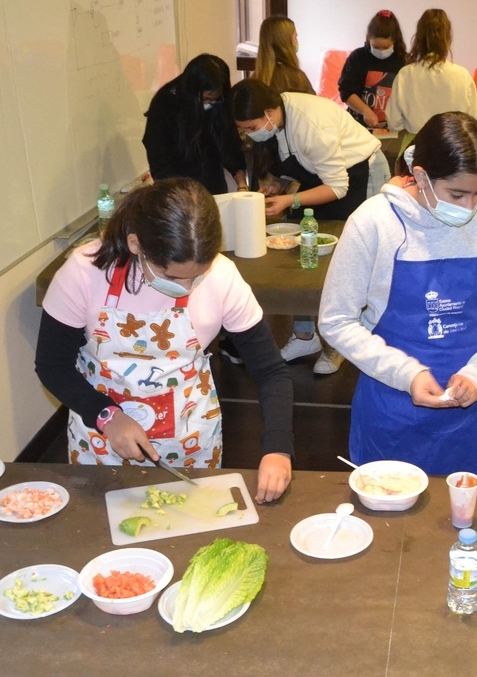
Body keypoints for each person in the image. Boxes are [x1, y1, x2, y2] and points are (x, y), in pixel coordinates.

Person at [34, 179, 293, 503]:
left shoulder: (224, 277)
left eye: (198, 275)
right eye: (172, 277)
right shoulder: (85, 273)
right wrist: (106, 415)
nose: (187, 287)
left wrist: (278, 448)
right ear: (136, 244)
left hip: (190, 438)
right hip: (102, 441)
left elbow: (270, 372)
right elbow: (52, 366)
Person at [318, 112, 477, 475]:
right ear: (420, 176)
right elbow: (336, 320)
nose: (469, 207)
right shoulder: (374, 223)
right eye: (457, 194)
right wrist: (408, 374)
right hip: (395, 411)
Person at [232, 78, 391, 375]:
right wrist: (277, 187)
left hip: (359, 175)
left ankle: (339, 343)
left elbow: (339, 186)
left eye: (252, 127)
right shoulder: (277, 122)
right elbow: (301, 167)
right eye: (243, 129)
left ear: (269, 111)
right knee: (304, 259)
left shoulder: (310, 125)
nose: (249, 134)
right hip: (326, 180)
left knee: (347, 260)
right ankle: (305, 335)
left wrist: (288, 201)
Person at [142, 54, 248, 195]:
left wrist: (241, 184)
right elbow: (160, 161)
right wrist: (180, 196)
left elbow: (229, 143)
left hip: (214, 186)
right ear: (192, 91)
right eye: (206, 99)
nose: (210, 103)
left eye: (215, 99)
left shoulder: (220, 102)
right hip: (180, 191)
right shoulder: (164, 105)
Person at [385, 9, 477, 134]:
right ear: (447, 38)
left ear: (418, 38)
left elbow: (394, 122)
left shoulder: (405, 74)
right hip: (454, 146)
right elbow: (476, 121)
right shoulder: (462, 75)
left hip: (417, 145)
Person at [338, 10, 408, 129]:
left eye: (386, 47)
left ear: (394, 41)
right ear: (369, 39)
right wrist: (365, 111)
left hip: (393, 127)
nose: (381, 51)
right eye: (375, 47)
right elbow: (346, 91)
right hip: (359, 125)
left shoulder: (404, 61)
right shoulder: (358, 57)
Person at [254, 15, 315, 96]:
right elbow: (311, 105)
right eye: (295, 38)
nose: (297, 42)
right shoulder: (298, 78)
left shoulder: (255, 79)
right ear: (286, 42)